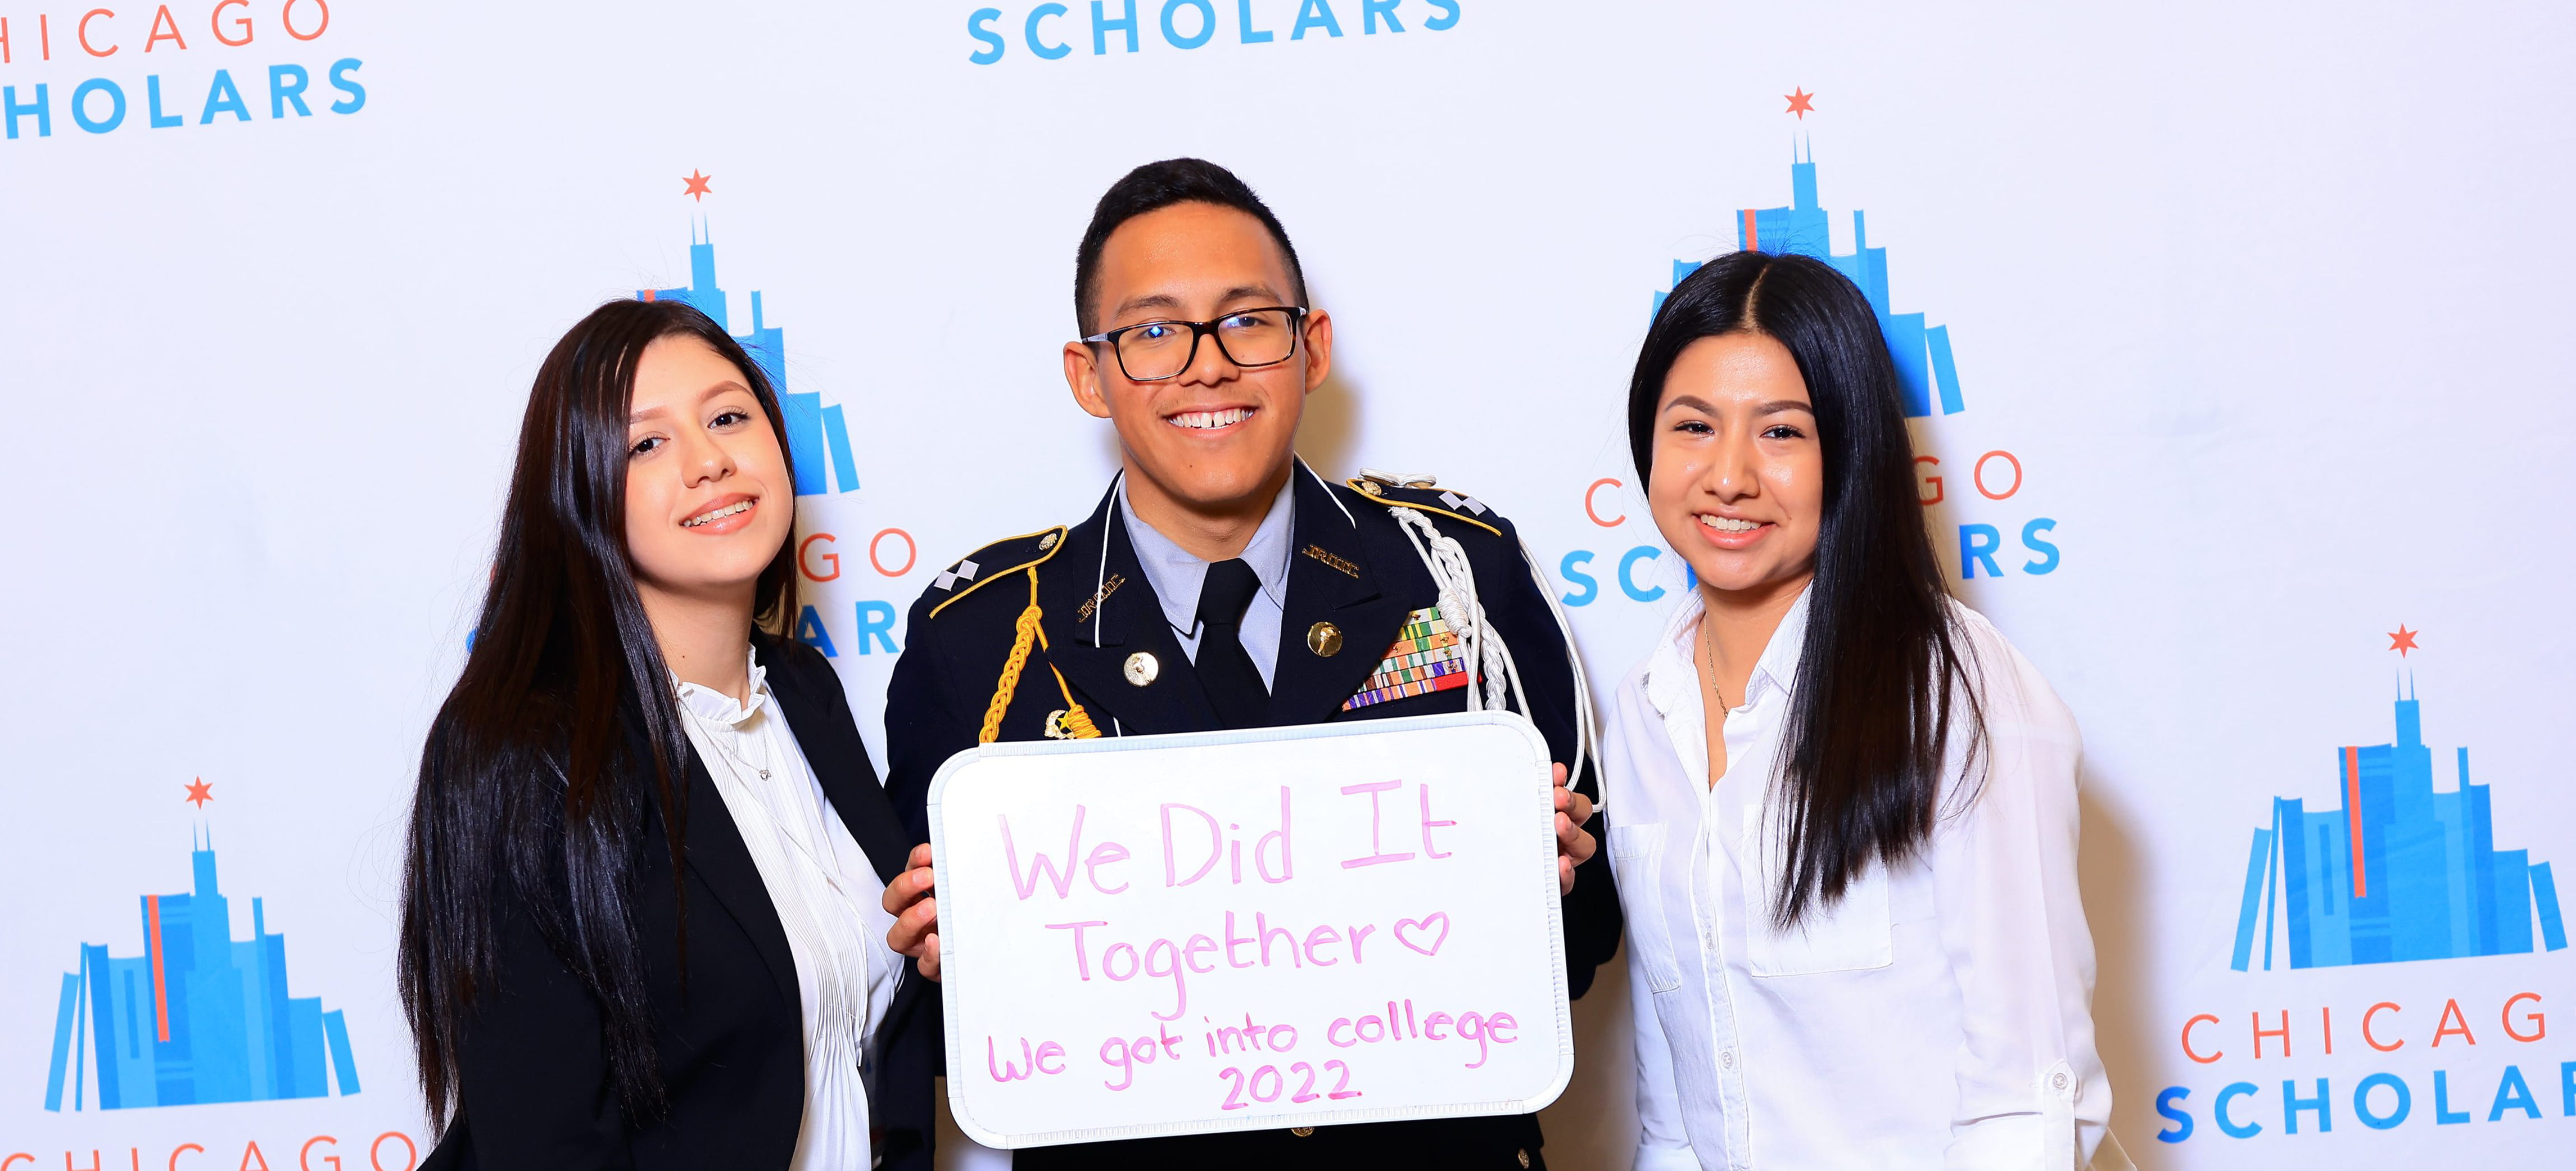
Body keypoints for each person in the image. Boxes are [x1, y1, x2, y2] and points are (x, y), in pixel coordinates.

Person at [876, 157, 1618, 1170]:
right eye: (1151, 332)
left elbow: (1588, 950)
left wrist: (1553, 884)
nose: (1206, 365)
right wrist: (941, 958)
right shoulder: (983, 635)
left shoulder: (1455, 575)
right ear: (1087, 375)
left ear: (1310, 348)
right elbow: (961, 1036)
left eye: (1247, 321)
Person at [1603, 251, 2122, 1170]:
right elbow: (1679, 1118)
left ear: (1852, 451)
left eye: (1782, 434)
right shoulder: (1644, 716)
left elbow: (2030, 1101)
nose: (1728, 476)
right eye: (1693, 426)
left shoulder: (1960, 693)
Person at [398, 299, 931, 1171]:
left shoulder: (803, 691)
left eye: (728, 417)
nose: (711, 461)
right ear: (578, 492)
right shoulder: (519, 750)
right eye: (648, 444)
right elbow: (547, 1143)